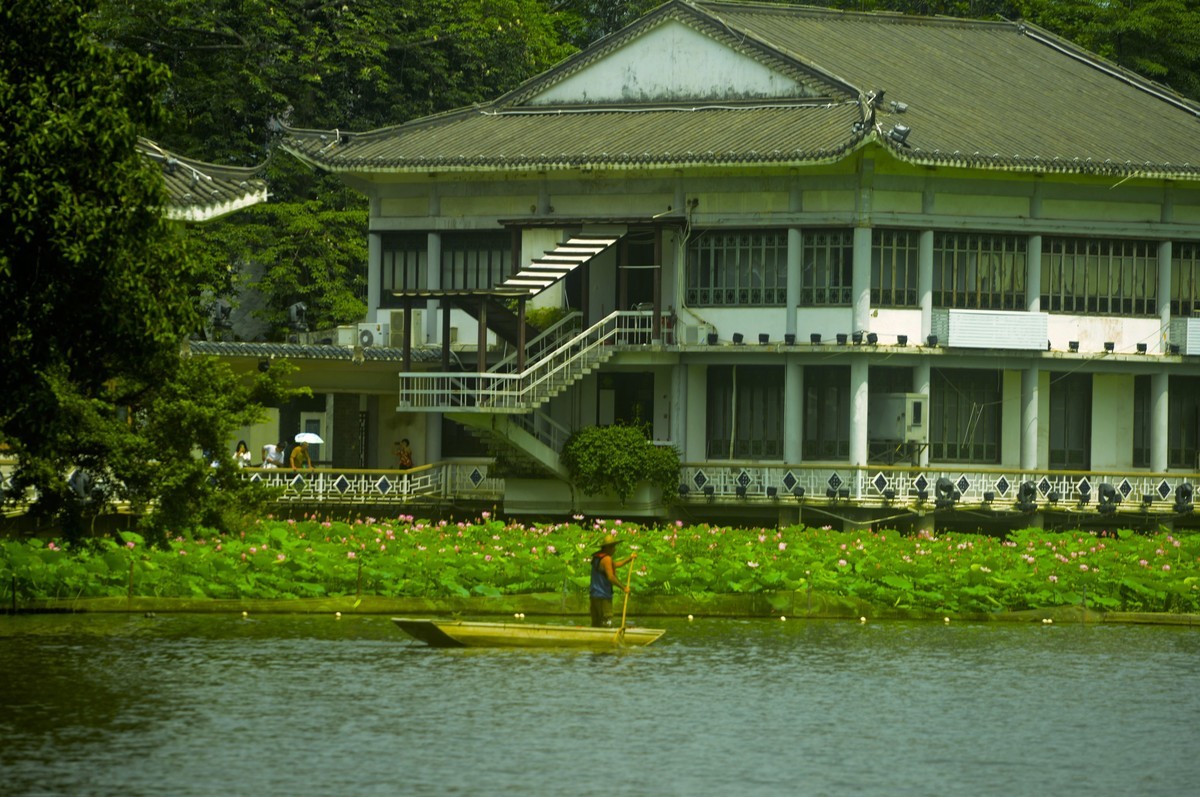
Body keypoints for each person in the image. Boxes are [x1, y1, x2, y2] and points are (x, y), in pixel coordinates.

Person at [589, 534, 637, 628]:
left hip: (594, 595)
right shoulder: (606, 559)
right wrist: (624, 588)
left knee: (596, 621)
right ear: (607, 548)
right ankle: (607, 634)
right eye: (613, 547)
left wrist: (629, 559)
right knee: (607, 620)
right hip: (603, 595)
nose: (614, 549)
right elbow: (611, 577)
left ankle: (596, 634)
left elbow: (614, 565)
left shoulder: (597, 557)